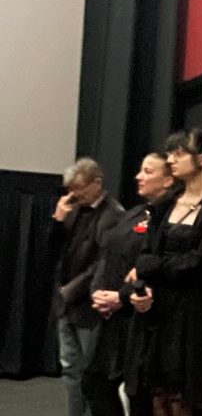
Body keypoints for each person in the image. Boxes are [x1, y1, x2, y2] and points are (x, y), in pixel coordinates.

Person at [126, 128, 202, 416]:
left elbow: (200, 266)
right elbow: (146, 253)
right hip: (157, 313)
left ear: (201, 160)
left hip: (191, 318)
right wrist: (143, 286)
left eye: (178, 154)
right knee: (156, 398)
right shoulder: (164, 205)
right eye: (169, 154)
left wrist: (152, 267)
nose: (171, 160)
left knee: (182, 401)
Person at [81, 153, 176, 416]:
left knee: (139, 396)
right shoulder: (135, 213)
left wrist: (121, 297)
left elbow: (156, 266)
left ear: (168, 180)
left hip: (140, 317)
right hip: (111, 318)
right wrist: (97, 291)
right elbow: (107, 253)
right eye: (140, 170)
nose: (138, 176)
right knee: (94, 383)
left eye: (148, 171)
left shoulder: (171, 218)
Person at [52, 157, 124, 416]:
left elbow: (102, 263)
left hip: (90, 306)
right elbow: (53, 251)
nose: (74, 194)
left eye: (79, 188)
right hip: (66, 303)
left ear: (97, 183)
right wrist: (57, 221)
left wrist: (72, 289)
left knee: (91, 373)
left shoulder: (114, 214)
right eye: (70, 189)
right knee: (70, 369)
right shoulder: (72, 208)